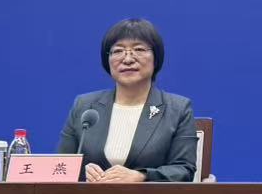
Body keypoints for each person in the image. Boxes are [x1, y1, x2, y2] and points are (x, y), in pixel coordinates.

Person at [57, 18, 198, 182]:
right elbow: (61, 166)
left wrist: (141, 176)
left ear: (156, 58)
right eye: (118, 51)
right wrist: (82, 172)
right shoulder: (85, 106)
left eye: (138, 49)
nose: (128, 59)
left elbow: (184, 169)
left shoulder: (178, 109)